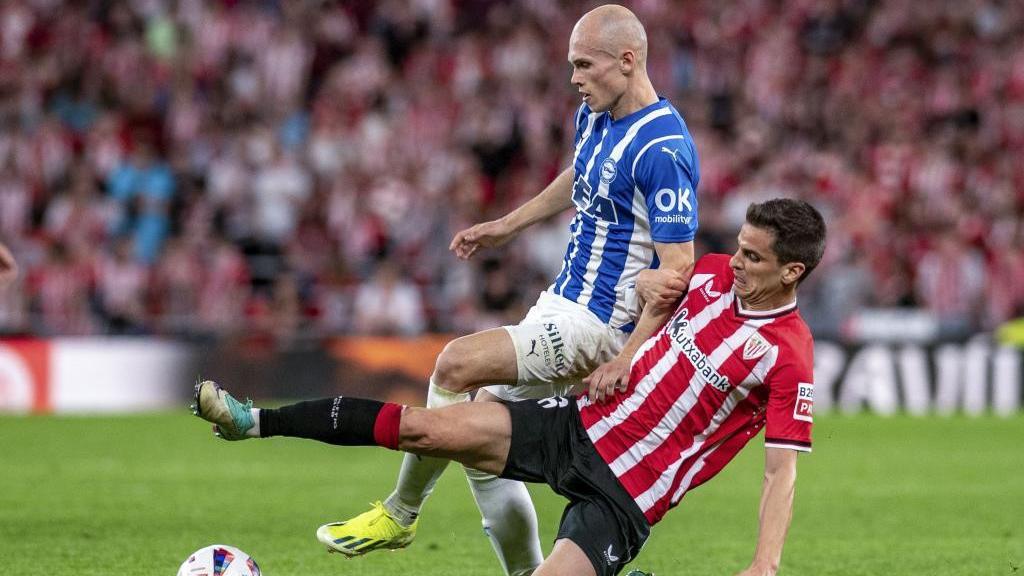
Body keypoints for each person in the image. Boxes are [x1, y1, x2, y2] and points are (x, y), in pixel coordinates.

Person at [193, 198, 827, 576]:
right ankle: (255, 421)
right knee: (425, 427)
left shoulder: (789, 356)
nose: (735, 261)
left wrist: (765, 565)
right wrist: (629, 348)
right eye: (739, 249)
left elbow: (780, 473)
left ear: (791, 271)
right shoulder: (713, 274)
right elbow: (659, 298)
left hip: (626, 494)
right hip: (577, 424)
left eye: (753, 257)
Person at [313, 5, 701, 575]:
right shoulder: (596, 114)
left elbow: (678, 273)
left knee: (454, 364)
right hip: (563, 300)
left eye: (583, 65)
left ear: (627, 59)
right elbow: (582, 174)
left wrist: (625, 356)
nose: (574, 78)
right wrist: (507, 225)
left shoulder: (664, 149)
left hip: (599, 324)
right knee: (474, 441)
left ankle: (400, 512)